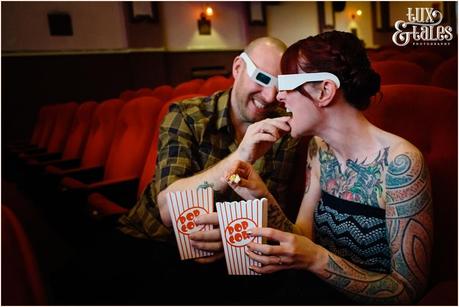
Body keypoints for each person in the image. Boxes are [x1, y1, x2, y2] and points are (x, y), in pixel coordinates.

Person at [52, 37, 308, 305]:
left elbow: (267, 210)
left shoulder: (282, 130)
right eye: (262, 78)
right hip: (153, 240)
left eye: (278, 86)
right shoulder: (187, 115)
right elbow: (167, 210)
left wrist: (229, 236)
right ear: (237, 68)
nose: (268, 97)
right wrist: (241, 157)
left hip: (232, 254)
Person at [222, 31, 433, 304]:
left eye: (287, 84)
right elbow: (302, 239)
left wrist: (316, 258)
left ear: (324, 91)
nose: (279, 96)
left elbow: (407, 289)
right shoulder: (318, 149)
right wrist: (261, 196)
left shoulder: (401, 164)